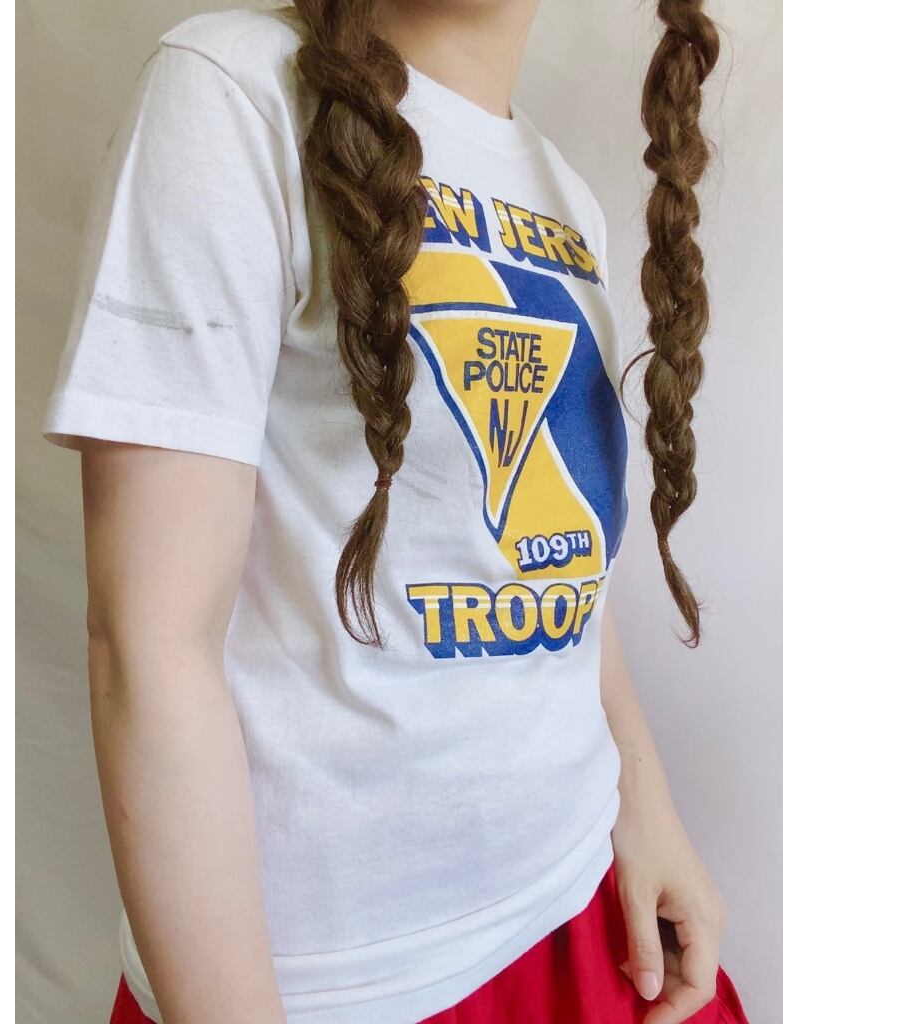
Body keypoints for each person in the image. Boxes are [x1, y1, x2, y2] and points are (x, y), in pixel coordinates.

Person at [42, 2, 749, 1022]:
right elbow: (150, 647)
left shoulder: (561, 192)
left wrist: (645, 800)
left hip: (580, 897)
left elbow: (544, 562)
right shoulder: (237, 89)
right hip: (341, 982)